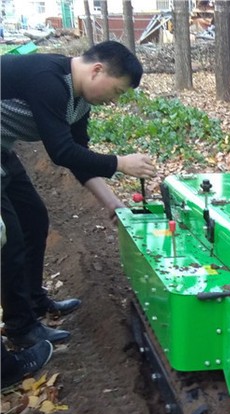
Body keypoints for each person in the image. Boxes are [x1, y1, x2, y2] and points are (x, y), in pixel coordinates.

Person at [1, 41, 156, 348]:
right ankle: (21, 329)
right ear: (97, 70)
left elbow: (77, 156)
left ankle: (33, 302)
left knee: (34, 218)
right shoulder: (49, 80)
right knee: (11, 237)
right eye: (118, 91)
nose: (114, 101)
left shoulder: (81, 100)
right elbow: (60, 152)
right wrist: (120, 163)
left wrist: (114, 204)